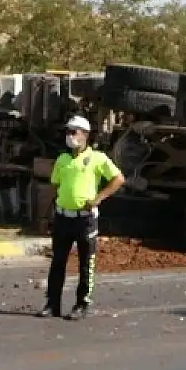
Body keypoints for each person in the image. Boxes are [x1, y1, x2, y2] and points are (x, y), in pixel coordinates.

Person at [37, 115, 125, 321]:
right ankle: (52, 304)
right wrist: (45, 215)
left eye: (74, 132)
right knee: (57, 262)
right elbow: (55, 186)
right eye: (68, 132)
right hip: (63, 217)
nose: (70, 136)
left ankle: (82, 304)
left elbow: (118, 179)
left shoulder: (97, 158)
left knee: (86, 262)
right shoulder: (62, 160)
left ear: (85, 135)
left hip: (85, 219)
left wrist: (98, 198)